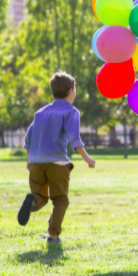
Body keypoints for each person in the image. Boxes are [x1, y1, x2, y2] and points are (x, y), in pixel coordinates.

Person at [17, 71, 96, 244]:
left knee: (40, 197)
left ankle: (32, 201)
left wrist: (29, 160)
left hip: (37, 162)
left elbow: (28, 138)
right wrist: (87, 158)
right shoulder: (71, 111)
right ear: (70, 91)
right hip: (57, 163)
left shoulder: (41, 112)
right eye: (75, 89)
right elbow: (75, 139)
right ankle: (53, 236)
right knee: (60, 200)